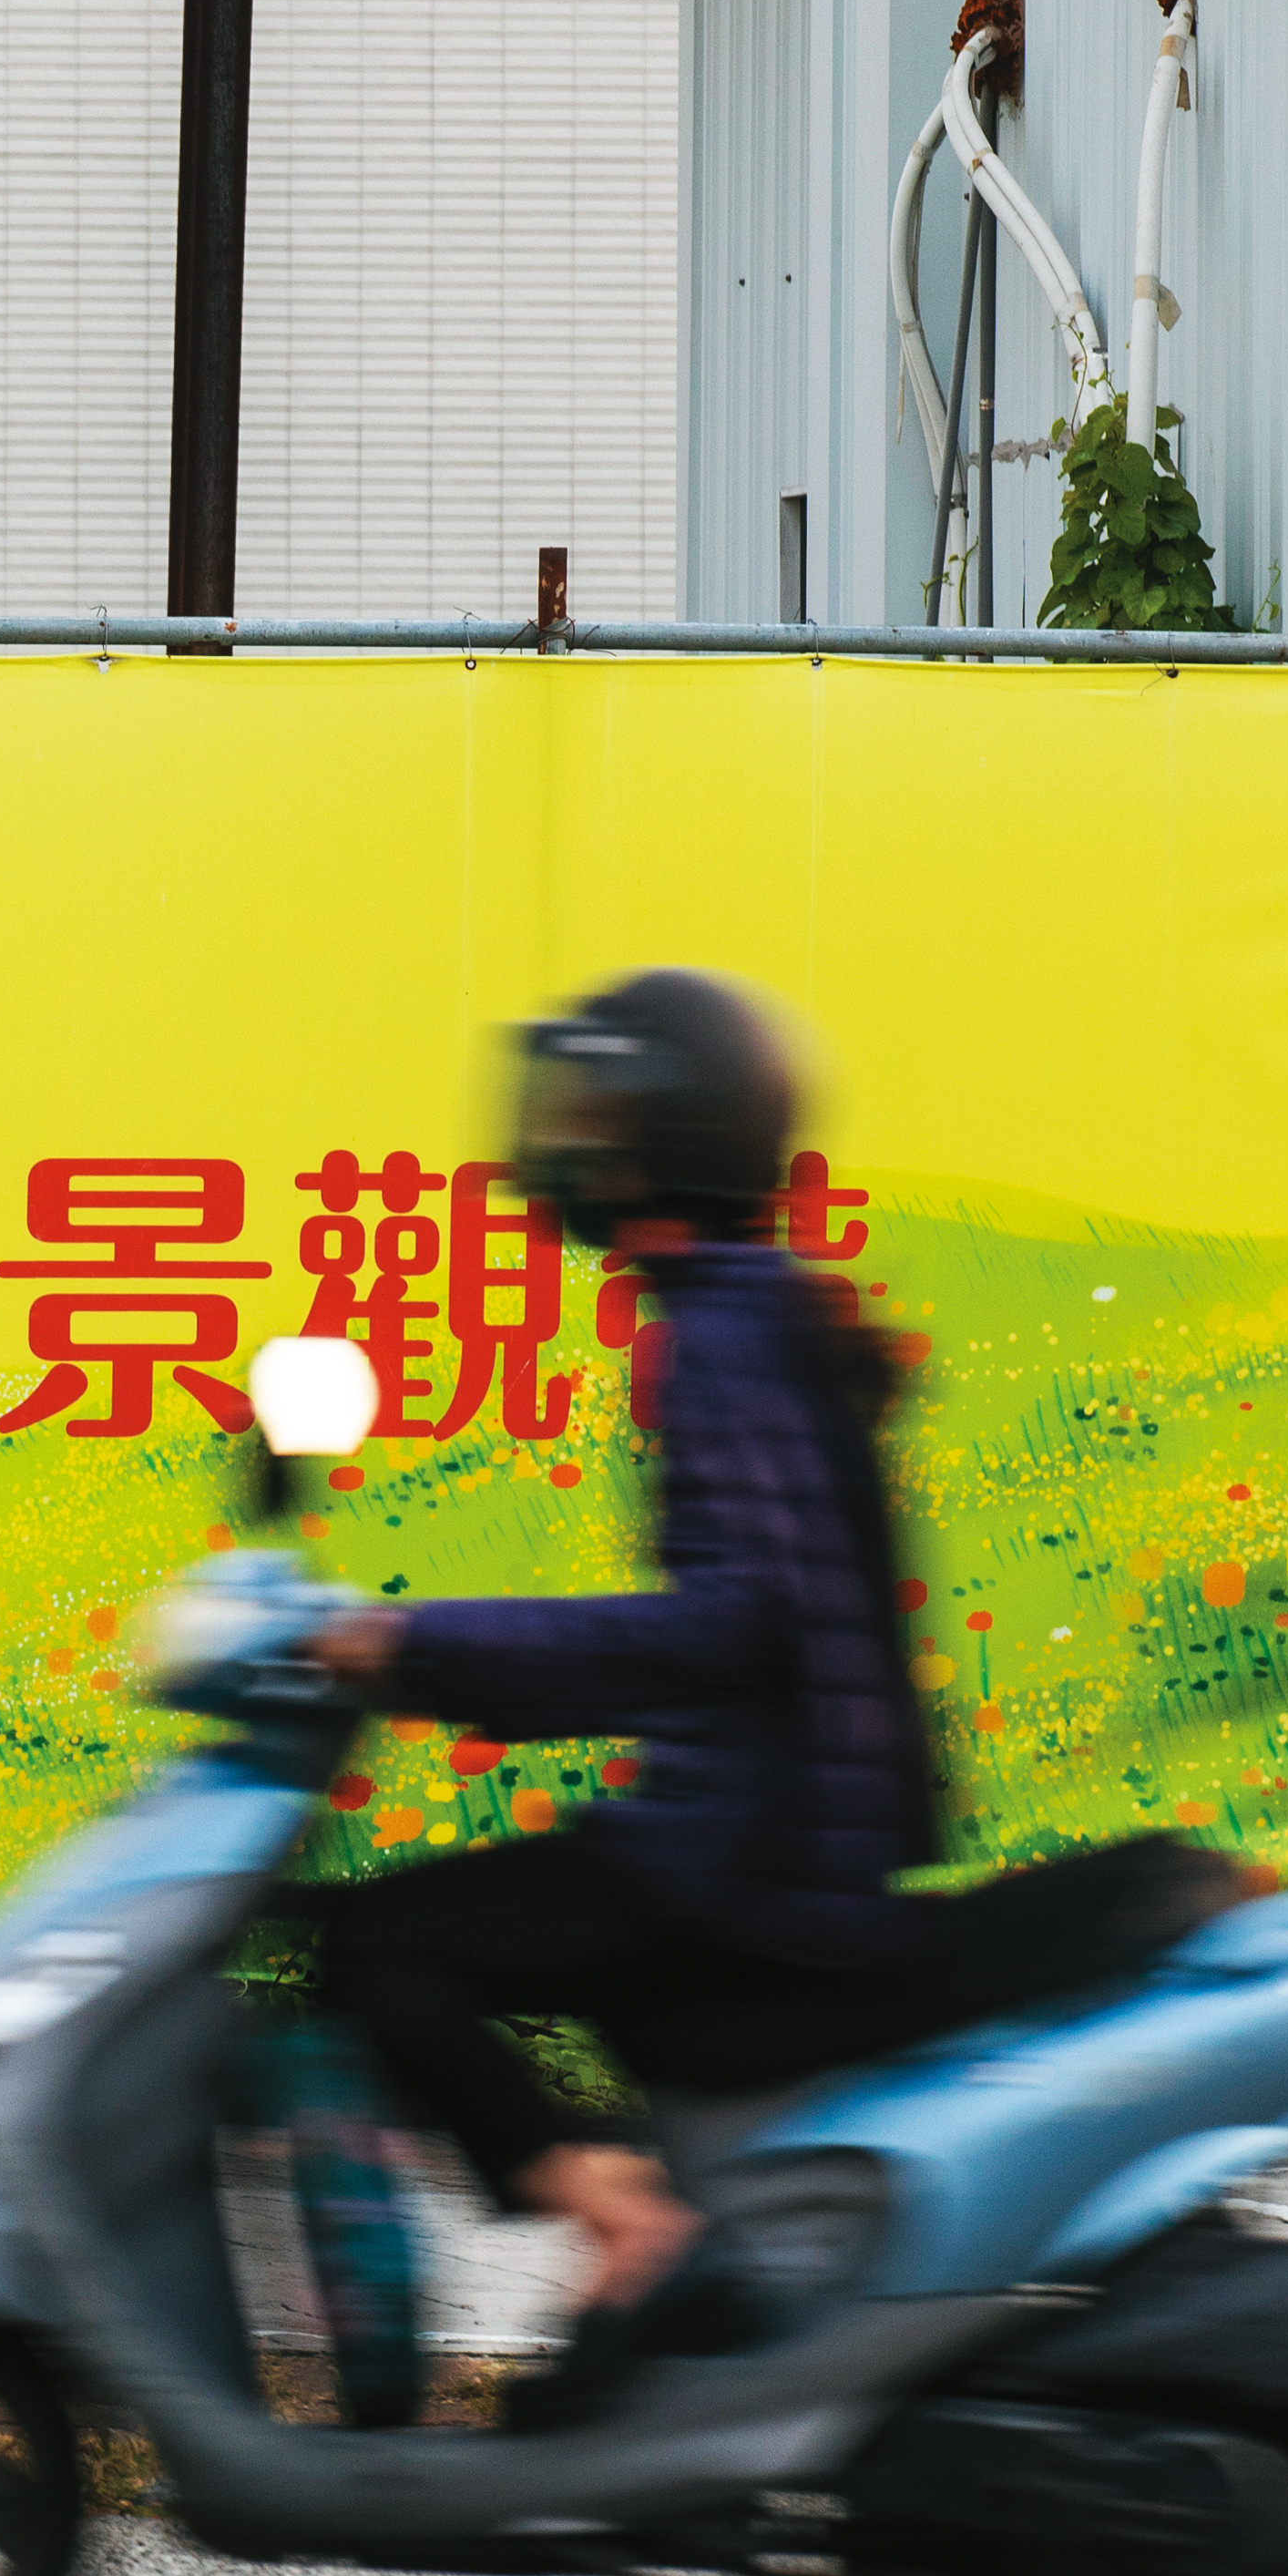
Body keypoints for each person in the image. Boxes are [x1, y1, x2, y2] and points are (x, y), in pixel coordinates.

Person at [297, 971, 949, 2338]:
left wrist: (414, 1649)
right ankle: (646, 2215)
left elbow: (732, 1622)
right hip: (779, 1829)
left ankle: (630, 2225)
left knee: (378, 1945)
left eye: (594, 1118)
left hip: (745, 1858)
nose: (565, 1146)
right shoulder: (752, 1306)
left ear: (669, 1140)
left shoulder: (713, 1336)